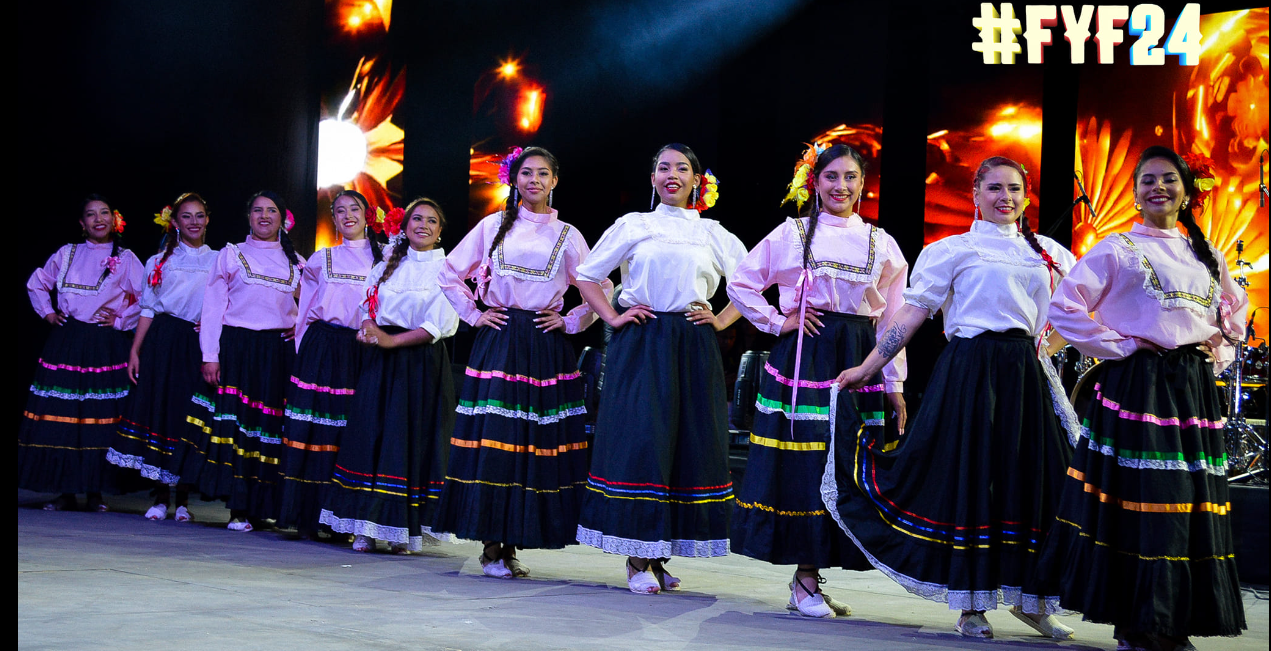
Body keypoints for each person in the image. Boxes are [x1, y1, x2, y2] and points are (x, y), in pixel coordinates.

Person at [829, 156, 1080, 639]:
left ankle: (1032, 600)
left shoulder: (1048, 253)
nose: (1004, 197)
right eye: (994, 188)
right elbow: (911, 315)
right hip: (970, 374)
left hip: (1025, 377)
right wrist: (867, 368)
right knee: (974, 481)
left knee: (1033, 483)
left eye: (1013, 188)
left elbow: (1074, 315)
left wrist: (1044, 349)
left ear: (1026, 196)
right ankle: (971, 603)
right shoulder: (952, 250)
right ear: (976, 194)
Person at [1039, 146, 1248, 651]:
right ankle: (1138, 620)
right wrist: (1122, 347)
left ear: (1185, 190)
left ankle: (1170, 620)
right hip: (1139, 386)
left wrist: (1209, 357)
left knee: (1188, 505)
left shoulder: (1206, 253)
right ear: (1134, 193)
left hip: (1190, 390)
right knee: (1143, 502)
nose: (1159, 188)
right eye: (1148, 180)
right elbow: (1065, 307)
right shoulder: (1117, 249)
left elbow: (1233, 314)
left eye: (1169, 179)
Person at [726, 144, 908, 617]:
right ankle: (805, 578)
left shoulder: (880, 242)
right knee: (808, 462)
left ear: (863, 184)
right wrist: (775, 321)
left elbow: (893, 319)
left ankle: (814, 574)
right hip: (806, 356)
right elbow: (741, 281)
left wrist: (894, 381)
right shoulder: (792, 234)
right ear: (815, 182)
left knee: (844, 462)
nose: (841, 187)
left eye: (850, 177)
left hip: (857, 354)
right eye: (831, 177)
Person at [573, 143, 747, 594]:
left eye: (682, 168)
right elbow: (588, 275)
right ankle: (637, 555)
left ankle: (662, 549)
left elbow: (751, 283)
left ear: (697, 180)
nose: (672, 174)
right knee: (643, 439)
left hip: (692, 343)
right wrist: (612, 317)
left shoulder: (712, 231)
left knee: (687, 442)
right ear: (652, 178)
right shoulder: (635, 224)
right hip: (644, 340)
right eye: (663, 167)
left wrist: (721, 318)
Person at [435, 147, 607, 578]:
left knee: (534, 445)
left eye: (542, 174)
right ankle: (492, 547)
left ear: (554, 181)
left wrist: (570, 320)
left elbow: (598, 284)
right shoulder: (493, 225)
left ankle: (512, 543)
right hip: (499, 340)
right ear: (514, 180)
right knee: (497, 439)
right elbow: (447, 272)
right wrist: (475, 314)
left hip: (544, 346)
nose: (534, 180)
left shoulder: (567, 235)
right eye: (526, 173)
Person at [319, 197, 460, 553]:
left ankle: (403, 530)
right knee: (371, 436)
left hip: (420, 363)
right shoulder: (387, 262)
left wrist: (389, 340)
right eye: (416, 218)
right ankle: (365, 526)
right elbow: (368, 304)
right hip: (381, 361)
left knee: (408, 441)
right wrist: (369, 328)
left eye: (431, 220)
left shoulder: (447, 269)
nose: (423, 225)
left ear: (440, 230)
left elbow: (437, 325)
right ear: (405, 225)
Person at [21, 195, 144, 512]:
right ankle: (65, 490)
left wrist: (120, 320)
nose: (98, 219)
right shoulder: (67, 253)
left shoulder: (126, 257)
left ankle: (96, 491)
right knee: (64, 419)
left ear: (114, 220)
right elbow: (38, 282)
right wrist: (48, 312)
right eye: (91, 215)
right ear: (82, 223)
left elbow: (148, 298)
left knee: (99, 419)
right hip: (69, 341)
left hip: (104, 344)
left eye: (104, 213)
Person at [190, 191, 302, 531]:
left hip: (276, 354)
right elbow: (212, 308)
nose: (264, 216)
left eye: (271, 211)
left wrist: (297, 328)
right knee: (239, 429)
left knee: (267, 431)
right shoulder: (231, 255)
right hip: (238, 349)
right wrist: (210, 355)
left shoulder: (297, 261)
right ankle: (237, 507)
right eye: (258, 210)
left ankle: (261, 507)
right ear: (248, 216)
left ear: (282, 218)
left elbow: (314, 307)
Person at [107, 193, 217, 522]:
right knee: (159, 412)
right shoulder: (158, 261)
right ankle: (159, 495)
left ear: (208, 219)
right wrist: (135, 350)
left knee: (186, 417)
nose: (194, 222)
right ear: (175, 222)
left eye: (199, 215)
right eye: (187, 216)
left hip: (197, 343)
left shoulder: (219, 258)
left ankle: (183, 498)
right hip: (163, 341)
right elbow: (148, 308)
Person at [278, 189, 380, 536]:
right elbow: (305, 311)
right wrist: (303, 351)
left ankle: (343, 519)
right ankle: (306, 515)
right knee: (314, 431)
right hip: (322, 350)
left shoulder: (386, 261)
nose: (347, 215)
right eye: (339, 211)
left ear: (368, 214)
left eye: (354, 209)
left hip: (363, 350)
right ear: (333, 219)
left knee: (349, 434)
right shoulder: (321, 259)